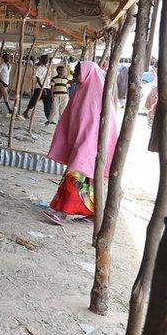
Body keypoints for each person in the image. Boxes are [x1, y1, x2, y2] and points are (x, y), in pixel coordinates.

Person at [44, 61, 118, 224]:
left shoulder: (96, 93)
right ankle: (92, 213)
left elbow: (94, 123)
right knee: (87, 180)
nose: (75, 76)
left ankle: (62, 211)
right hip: (84, 142)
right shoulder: (82, 90)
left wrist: (85, 144)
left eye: (78, 72)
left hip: (89, 144)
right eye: (76, 72)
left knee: (76, 175)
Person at [22, 54, 52, 121]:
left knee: (48, 103)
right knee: (34, 101)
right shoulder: (39, 68)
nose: (46, 60)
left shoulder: (48, 67)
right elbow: (37, 78)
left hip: (47, 87)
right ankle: (26, 111)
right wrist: (42, 87)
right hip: (39, 87)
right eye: (45, 59)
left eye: (47, 59)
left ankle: (49, 118)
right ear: (41, 60)